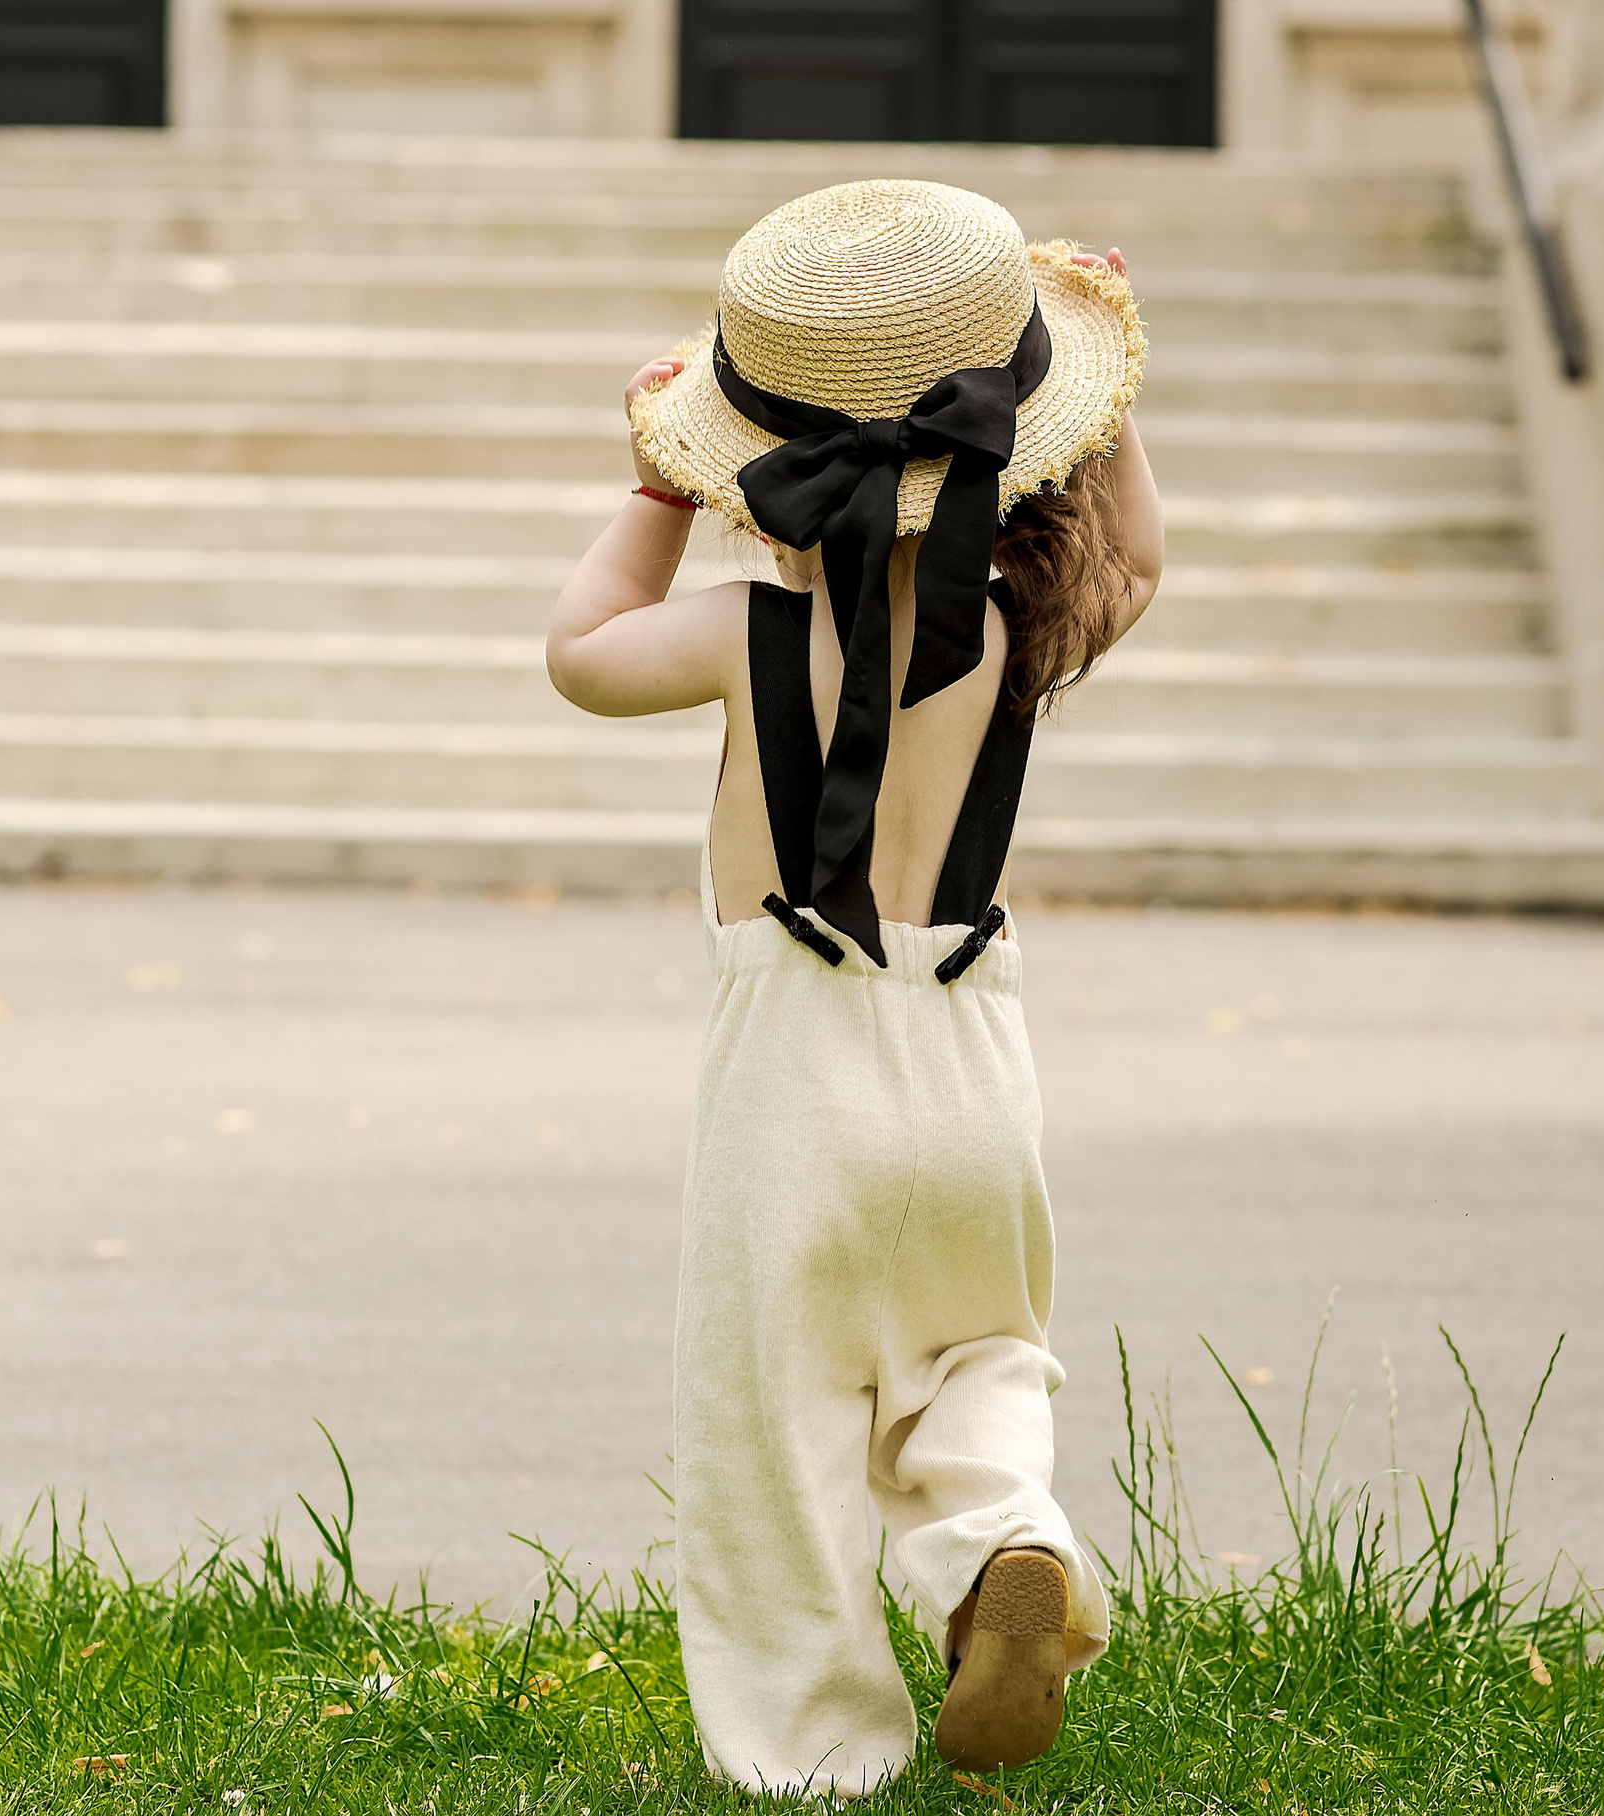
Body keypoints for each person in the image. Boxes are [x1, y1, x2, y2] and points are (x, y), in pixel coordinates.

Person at [545, 178, 1162, 1797]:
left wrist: (651, 490)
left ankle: (815, 1746)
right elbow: (1142, 559)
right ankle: (997, 1558)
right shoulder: (1023, 619)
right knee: (978, 1355)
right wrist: (1106, 431)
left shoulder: (748, 629)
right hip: (971, 1044)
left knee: (778, 1420)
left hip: (794, 1069)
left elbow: (582, 646)